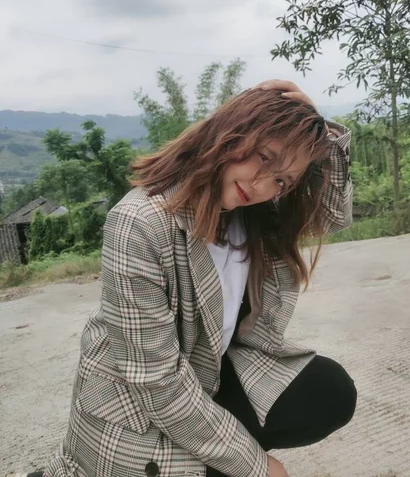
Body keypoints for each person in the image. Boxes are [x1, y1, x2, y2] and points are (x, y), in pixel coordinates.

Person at [9, 80, 356, 477]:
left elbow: (333, 217)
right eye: (263, 157)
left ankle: (213, 449)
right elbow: (157, 381)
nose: (262, 186)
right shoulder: (139, 223)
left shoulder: (257, 215)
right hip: (135, 402)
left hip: (206, 374)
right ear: (231, 133)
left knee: (329, 391)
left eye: (281, 180)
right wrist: (256, 465)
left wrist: (319, 136)